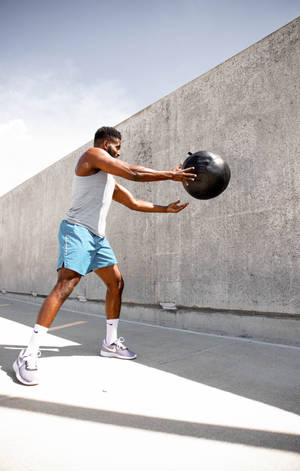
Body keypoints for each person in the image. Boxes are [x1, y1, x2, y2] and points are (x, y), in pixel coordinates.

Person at [13, 126, 196, 385]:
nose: (119, 152)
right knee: (66, 284)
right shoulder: (92, 155)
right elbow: (133, 172)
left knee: (116, 283)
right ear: (106, 143)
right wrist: (171, 174)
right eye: (117, 147)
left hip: (97, 238)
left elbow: (133, 202)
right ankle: (28, 352)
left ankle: (110, 343)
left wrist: (165, 209)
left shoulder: (108, 177)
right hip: (76, 230)